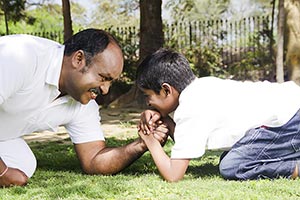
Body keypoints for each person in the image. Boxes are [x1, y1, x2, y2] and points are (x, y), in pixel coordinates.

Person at [0, 29, 168, 187]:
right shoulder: (20, 56)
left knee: (24, 164)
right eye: (103, 78)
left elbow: (93, 159)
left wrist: (141, 144)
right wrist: (3, 173)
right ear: (78, 59)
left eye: (110, 82)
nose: (105, 90)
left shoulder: (83, 102)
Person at [136, 48, 300, 182]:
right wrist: (163, 118)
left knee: (233, 165)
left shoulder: (191, 107)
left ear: (166, 90)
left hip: (290, 120)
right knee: (231, 157)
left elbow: (174, 175)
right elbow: (188, 142)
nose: (148, 103)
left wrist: (149, 140)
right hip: (290, 110)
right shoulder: (201, 87)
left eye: (147, 96)